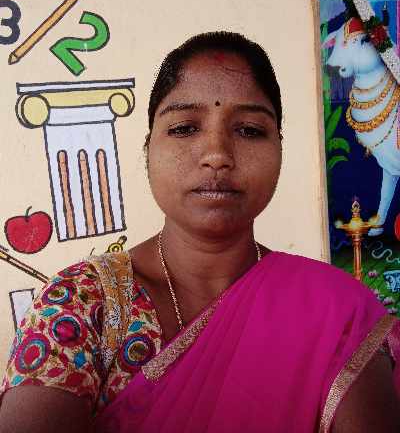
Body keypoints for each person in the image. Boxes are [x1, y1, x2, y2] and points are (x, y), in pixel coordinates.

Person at [0, 31, 399, 433]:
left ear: (279, 149)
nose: (217, 155)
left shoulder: (336, 311)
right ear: (148, 149)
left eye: (249, 130)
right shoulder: (81, 303)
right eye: (184, 128)